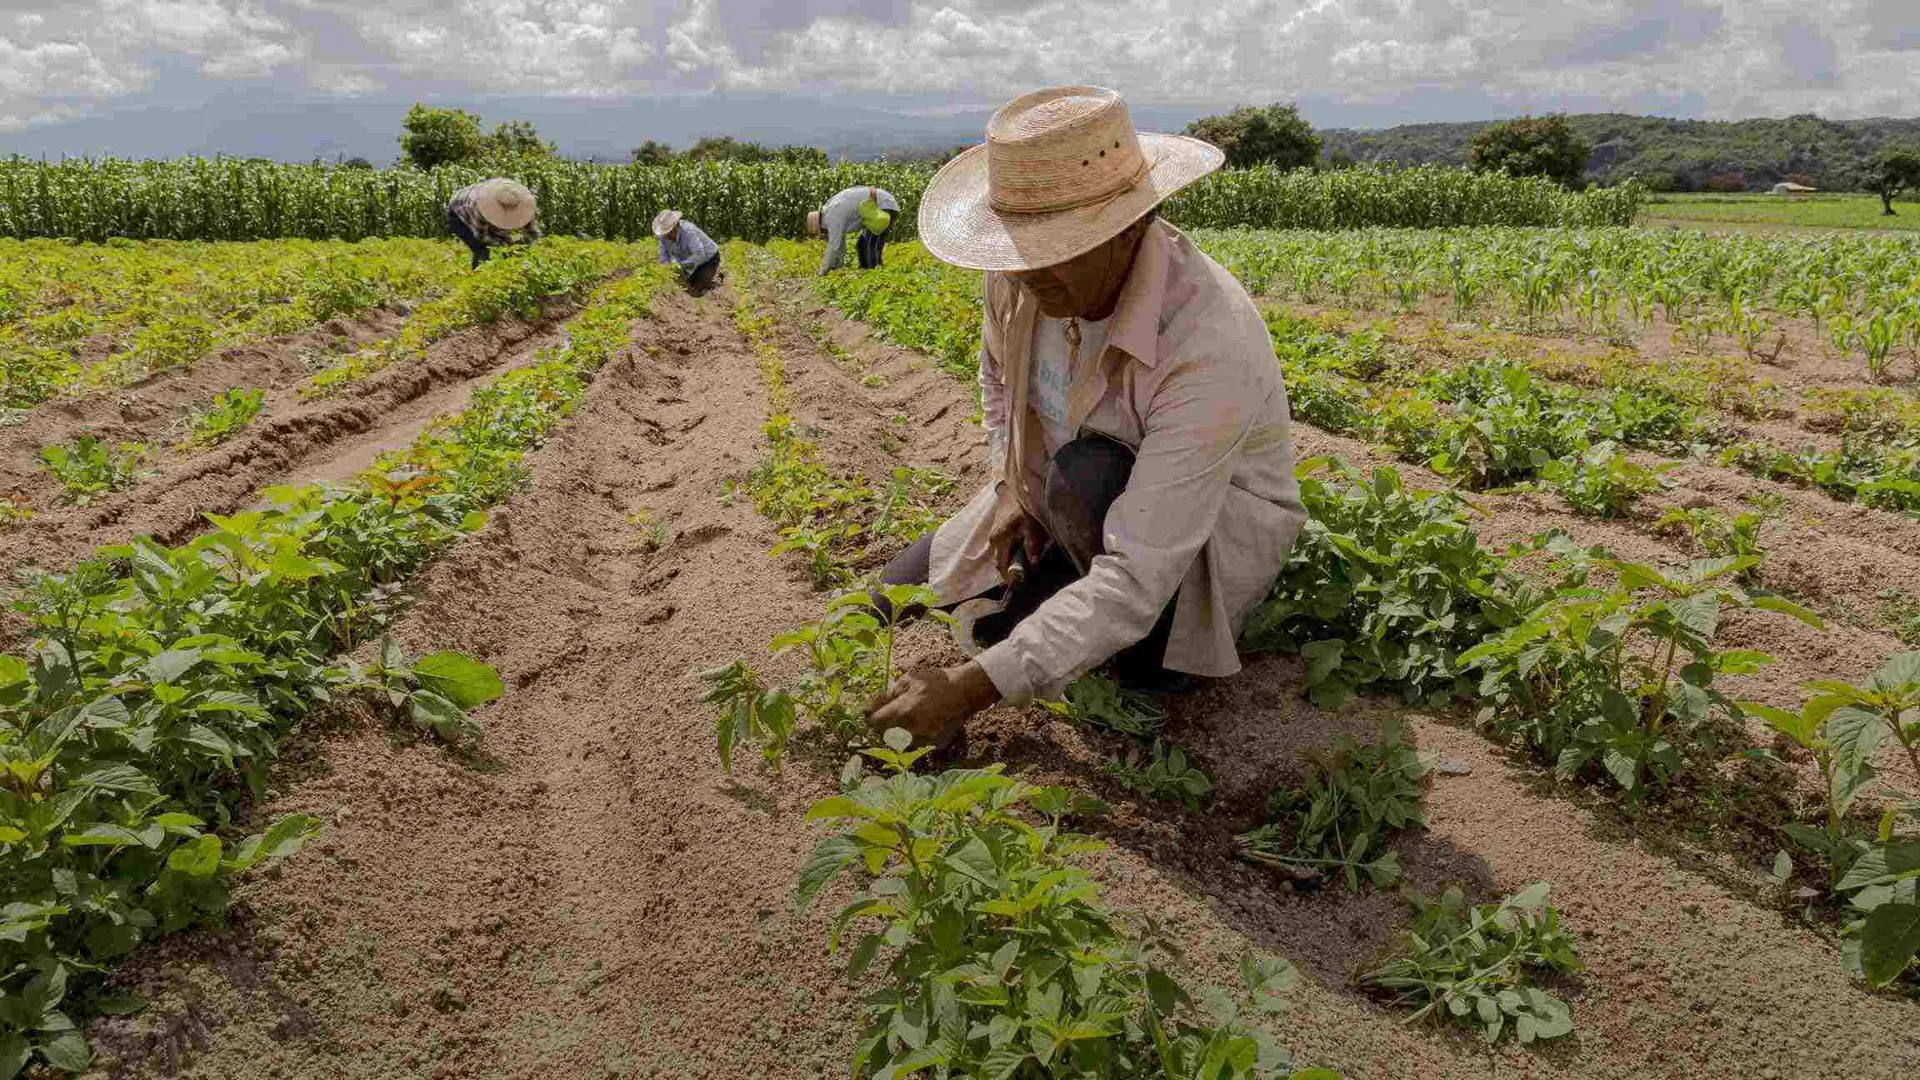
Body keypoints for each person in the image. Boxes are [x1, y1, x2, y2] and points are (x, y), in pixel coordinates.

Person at [867, 85, 1307, 747]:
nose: (1027, 272)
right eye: (1019, 248)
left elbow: (1137, 575)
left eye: (1055, 247)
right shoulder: (1017, 279)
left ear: (1129, 227)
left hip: (1183, 550)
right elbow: (994, 380)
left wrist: (967, 691)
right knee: (890, 593)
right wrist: (1012, 485)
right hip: (1059, 499)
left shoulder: (1208, 339)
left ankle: (1138, 654)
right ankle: (1052, 580)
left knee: (1087, 478)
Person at [446, 178, 540, 269]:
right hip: (458, 213)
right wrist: (507, 247)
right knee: (481, 249)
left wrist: (520, 247)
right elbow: (482, 237)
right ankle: (479, 278)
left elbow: (533, 233)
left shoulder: (522, 204)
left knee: (509, 247)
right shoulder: (479, 207)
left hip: (476, 205)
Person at [810, 186, 901, 274]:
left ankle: (874, 275)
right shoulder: (831, 210)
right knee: (861, 245)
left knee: (869, 245)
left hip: (884, 206)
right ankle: (866, 272)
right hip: (880, 207)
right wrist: (837, 265)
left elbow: (834, 246)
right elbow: (841, 246)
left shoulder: (832, 218)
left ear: (821, 228)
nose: (825, 235)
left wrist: (822, 271)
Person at [653, 209, 721, 294]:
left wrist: (682, 267)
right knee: (683, 284)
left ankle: (715, 280)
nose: (668, 235)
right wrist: (668, 270)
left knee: (698, 286)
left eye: (670, 231)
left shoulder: (688, 231)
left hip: (708, 259)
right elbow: (664, 257)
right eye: (666, 232)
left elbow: (699, 254)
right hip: (688, 261)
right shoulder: (663, 237)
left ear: (676, 226)